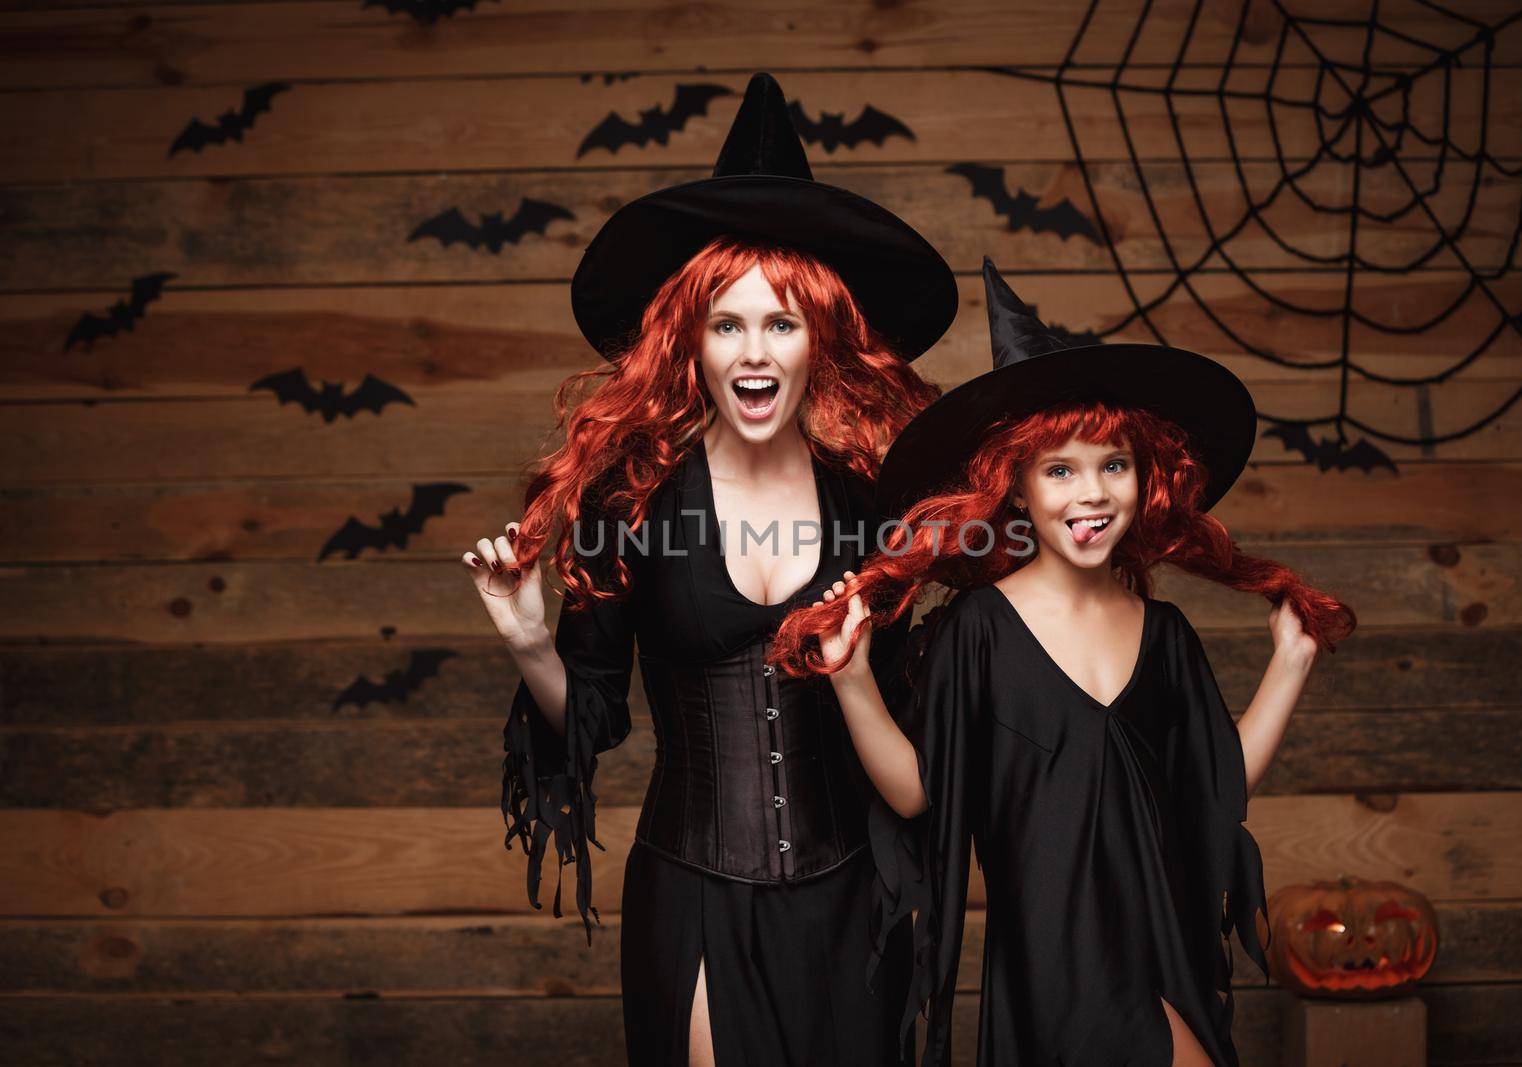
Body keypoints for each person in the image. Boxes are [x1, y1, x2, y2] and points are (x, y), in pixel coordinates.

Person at [462, 73, 956, 1067]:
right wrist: (525, 636)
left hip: (857, 893)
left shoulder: (870, 506)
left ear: (821, 340)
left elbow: (906, 731)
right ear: (690, 344)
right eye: (727, 323)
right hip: (692, 885)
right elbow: (591, 717)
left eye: (781, 322)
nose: (754, 348)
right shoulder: (629, 504)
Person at [769, 258, 1358, 1066]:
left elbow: (1215, 787)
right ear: (1014, 488)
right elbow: (917, 791)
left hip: (1162, 951)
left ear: (1144, 477)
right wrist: (853, 678)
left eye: (1112, 464)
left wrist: (1288, 665)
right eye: (1060, 470)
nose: (1091, 494)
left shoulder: (1169, 635)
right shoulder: (979, 629)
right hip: (1054, 974)